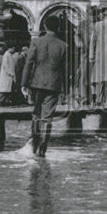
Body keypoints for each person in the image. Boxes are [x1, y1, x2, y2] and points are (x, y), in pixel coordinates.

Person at [22, 14, 68, 157]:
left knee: (36, 114)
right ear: (58, 27)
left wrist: (24, 83)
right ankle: (43, 149)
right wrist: (66, 89)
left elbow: (29, 63)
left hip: (36, 82)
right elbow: (66, 69)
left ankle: (34, 146)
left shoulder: (36, 42)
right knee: (48, 117)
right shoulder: (63, 45)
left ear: (45, 27)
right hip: (54, 84)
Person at [89, 8, 107, 107]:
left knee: (99, 78)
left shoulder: (97, 25)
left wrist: (91, 56)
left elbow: (93, 42)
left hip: (100, 54)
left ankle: (99, 100)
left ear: (103, 15)